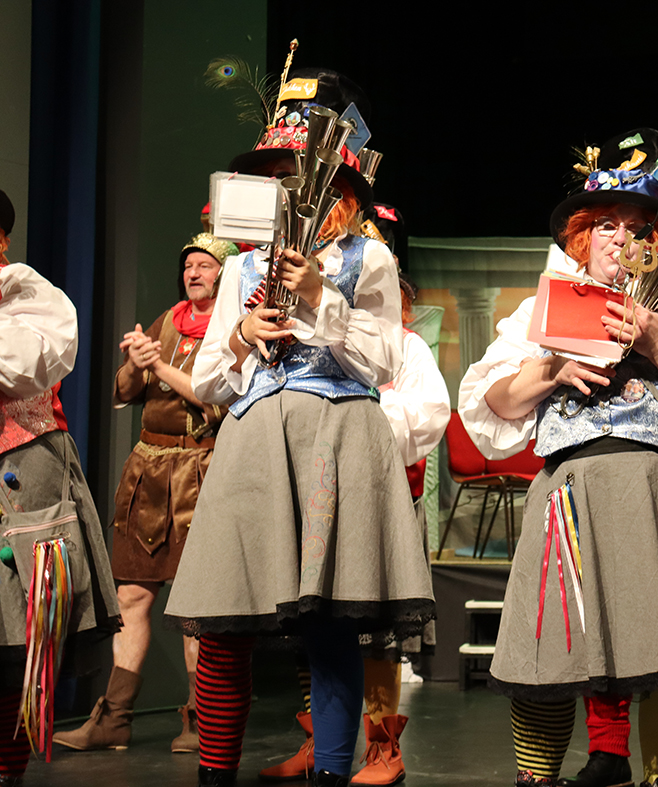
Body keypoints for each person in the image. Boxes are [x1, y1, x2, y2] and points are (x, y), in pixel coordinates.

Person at [458, 128, 658, 787]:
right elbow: (489, 402)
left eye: (637, 227)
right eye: (604, 225)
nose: (619, 239)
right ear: (582, 237)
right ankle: (540, 779)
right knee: (549, 651)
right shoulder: (543, 309)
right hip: (569, 499)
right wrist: (551, 368)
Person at [162, 67, 434, 787]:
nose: (289, 189)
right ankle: (214, 773)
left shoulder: (368, 258)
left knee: (329, 620)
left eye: (301, 175)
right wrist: (242, 334)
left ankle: (333, 774)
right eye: (276, 177)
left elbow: (381, 362)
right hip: (254, 443)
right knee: (225, 617)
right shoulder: (240, 269)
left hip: (334, 442)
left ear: (340, 187)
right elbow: (211, 380)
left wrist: (320, 296)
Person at [260, 275, 449, 787]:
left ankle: (383, 746)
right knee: (312, 614)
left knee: (376, 625)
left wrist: (361, 426)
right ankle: (322, 738)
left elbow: (429, 416)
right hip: (319, 498)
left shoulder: (405, 348)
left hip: (380, 497)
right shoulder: (311, 344)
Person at [54, 232, 237, 754]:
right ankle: (114, 718)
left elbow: (215, 401)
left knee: (193, 606)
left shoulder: (231, 332)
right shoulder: (168, 320)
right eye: (189, 266)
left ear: (224, 275)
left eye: (204, 266)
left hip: (200, 473)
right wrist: (136, 363)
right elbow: (125, 390)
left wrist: (157, 366)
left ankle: (200, 719)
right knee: (131, 595)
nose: (193, 273)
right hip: (149, 475)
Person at [0, 187, 121, 784]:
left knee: (16, 638)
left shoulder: (25, 292)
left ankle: (7, 770)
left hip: (18, 472)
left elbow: (25, 367)